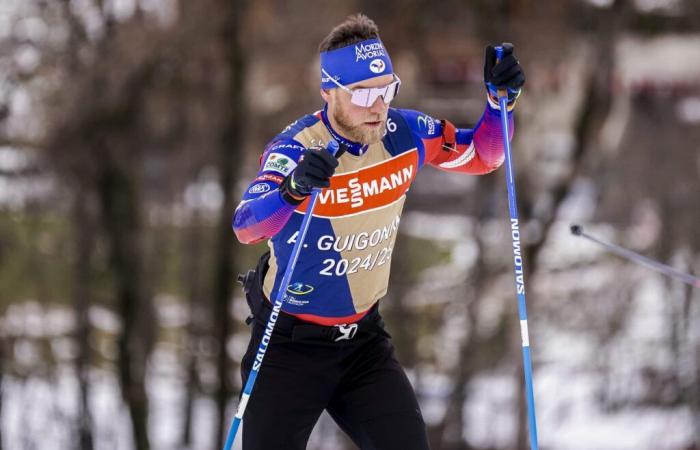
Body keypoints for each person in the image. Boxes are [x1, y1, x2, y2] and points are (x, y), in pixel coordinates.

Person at [232, 13, 524, 450]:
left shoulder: (404, 133)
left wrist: (500, 104)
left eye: (386, 89)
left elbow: (484, 156)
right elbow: (246, 226)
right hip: (288, 346)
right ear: (329, 92)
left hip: (362, 344)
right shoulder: (296, 147)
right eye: (363, 93)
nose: (377, 105)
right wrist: (292, 190)